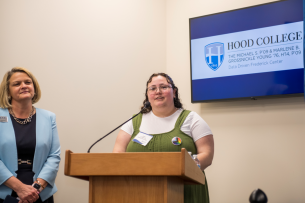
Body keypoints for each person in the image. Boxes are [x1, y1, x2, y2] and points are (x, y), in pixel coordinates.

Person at [113, 73, 214, 203]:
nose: (158, 92)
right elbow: (117, 155)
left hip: (184, 192)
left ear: (174, 92)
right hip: (140, 191)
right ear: (147, 94)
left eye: (164, 87)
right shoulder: (133, 122)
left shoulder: (191, 119)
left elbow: (207, 154)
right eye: (153, 88)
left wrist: (182, 168)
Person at [0, 67, 61, 203]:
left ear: (34, 87)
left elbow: (54, 156)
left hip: (39, 193)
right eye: (17, 84)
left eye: (28, 82)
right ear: (7, 91)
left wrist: (35, 189)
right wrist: (20, 188)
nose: (24, 86)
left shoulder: (49, 117)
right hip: (4, 192)